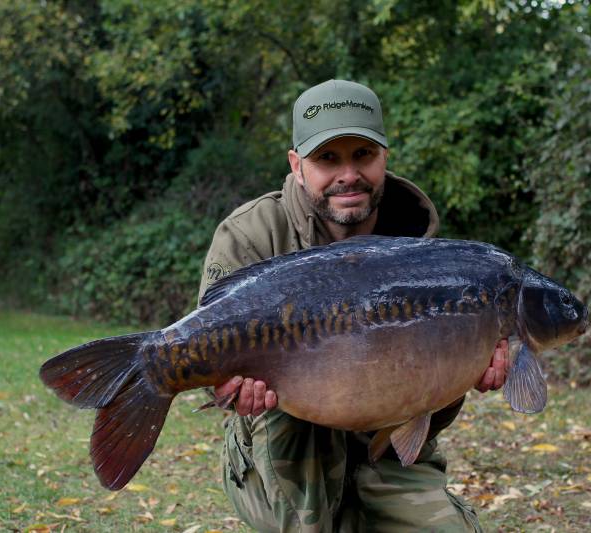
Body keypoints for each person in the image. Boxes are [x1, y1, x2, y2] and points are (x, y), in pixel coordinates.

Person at [198, 79, 509, 532]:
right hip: (286, 439)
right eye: (327, 158)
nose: (348, 174)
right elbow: (208, 363)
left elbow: (427, 399)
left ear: (384, 157)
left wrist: (465, 372)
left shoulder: (420, 246)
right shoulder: (250, 236)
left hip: (387, 444)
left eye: (362, 154)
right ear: (296, 164)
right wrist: (228, 390)